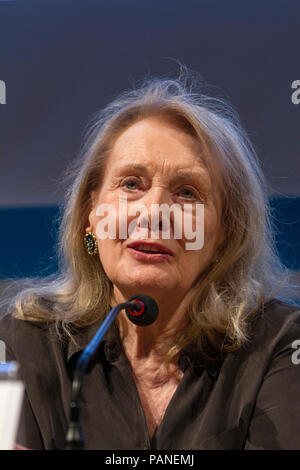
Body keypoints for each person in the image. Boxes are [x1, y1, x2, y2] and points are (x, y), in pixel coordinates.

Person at [1, 68, 300, 450]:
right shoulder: (21, 343)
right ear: (91, 215)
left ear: (225, 233)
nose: (154, 212)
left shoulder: (281, 346)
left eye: (188, 193)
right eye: (131, 184)